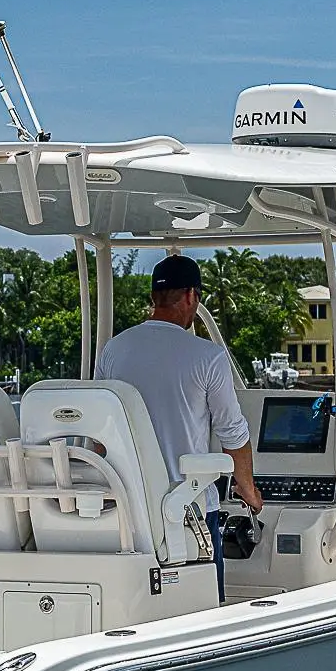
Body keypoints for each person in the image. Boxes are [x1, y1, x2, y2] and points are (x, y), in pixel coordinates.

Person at [94, 254, 263, 598]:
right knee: (203, 611)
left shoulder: (114, 350)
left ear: (154, 298)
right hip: (188, 513)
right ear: (190, 297)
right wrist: (248, 490)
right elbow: (233, 432)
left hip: (127, 511)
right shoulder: (208, 356)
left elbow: (99, 440)